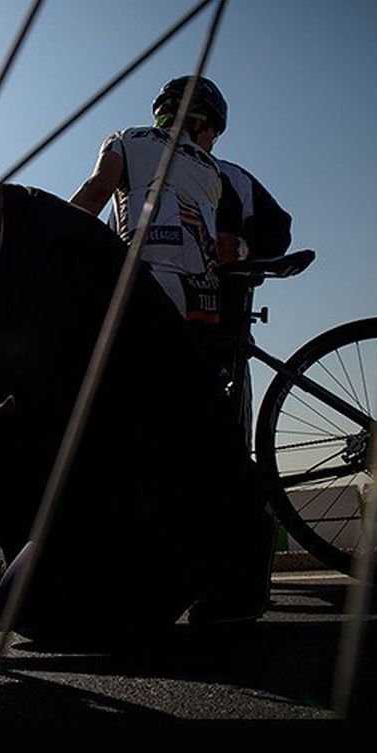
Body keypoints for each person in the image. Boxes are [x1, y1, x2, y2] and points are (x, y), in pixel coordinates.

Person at [0, 139, 247, 645]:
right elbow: (25, 354)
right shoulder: (22, 230)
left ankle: (219, 565)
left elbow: (49, 413)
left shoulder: (53, 255)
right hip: (123, 459)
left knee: (38, 608)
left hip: (166, 483)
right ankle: (39, 566)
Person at [70, 75, 292, 621]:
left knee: (145, 427)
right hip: (208, 316)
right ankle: (225, 572)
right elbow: (278, 234)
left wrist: (45, 242)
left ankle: (175, 569)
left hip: (165, 309)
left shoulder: (136, 143)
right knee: (208, 440)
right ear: (208, 125)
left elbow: (94, 198)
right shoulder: (222, 172)